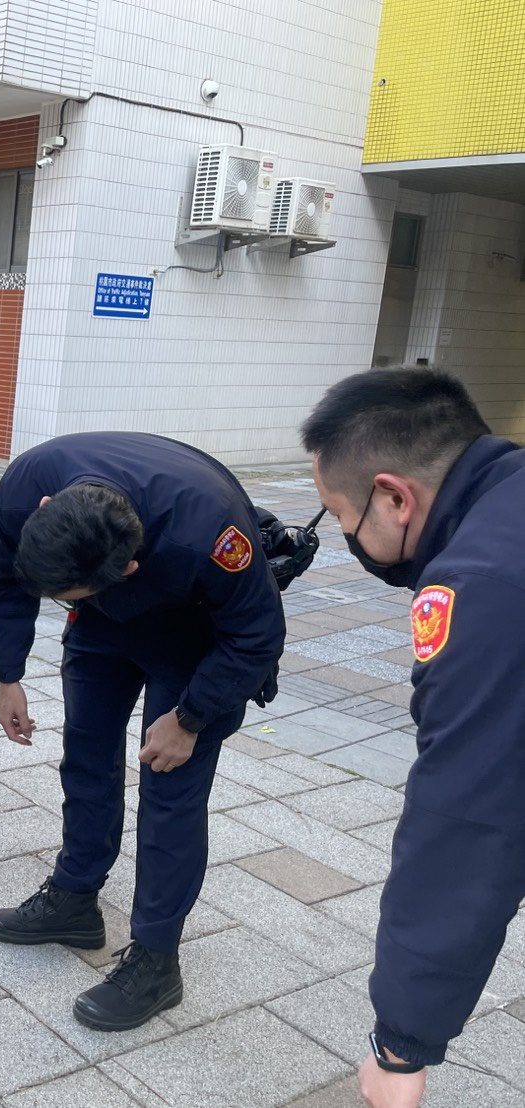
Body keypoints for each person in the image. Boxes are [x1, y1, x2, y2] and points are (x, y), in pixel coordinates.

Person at [0, 432, 286, 1031]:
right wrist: (7, 673)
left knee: (168, 791)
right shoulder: (26, 487)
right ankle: (73, 899)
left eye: (66, 594)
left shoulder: (211, 532)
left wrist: (191, 718)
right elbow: (2, 581)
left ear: (128, 570)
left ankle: (155, 959)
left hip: (196, 636)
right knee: (86, 755)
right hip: (103, 625)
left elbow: (256, 635)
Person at [300, 368, 525, 1108]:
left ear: (394, 496)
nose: (342, 536)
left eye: (341, 515)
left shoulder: (487, 583)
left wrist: (400, 1042)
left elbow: (465, 819)